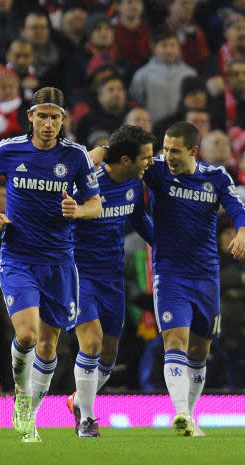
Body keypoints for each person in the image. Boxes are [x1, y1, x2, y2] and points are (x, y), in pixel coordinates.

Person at [0, 87, 101, 443]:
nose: (48, 123)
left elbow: (96, 203)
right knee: (26, 334)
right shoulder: (10, 150)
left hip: (59, 262)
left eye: (54, 117)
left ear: (63, 120)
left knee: (49, 345)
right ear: (30, 116)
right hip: (17, 258)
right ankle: (21, 397)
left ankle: (31, 412)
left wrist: (80, 209)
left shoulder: (75, 156)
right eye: (41, 116)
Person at [139, 121, 245, 436]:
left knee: (200, 351)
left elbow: (239, 211)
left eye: (174, 151)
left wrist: (242, 234)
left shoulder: (215, 178)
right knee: (175, 341)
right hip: (170, 273)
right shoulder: (157, 171)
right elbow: (124, 159)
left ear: (193, 151)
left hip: (206, 276)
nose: (168, 156)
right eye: (165, 149)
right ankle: (182, 414)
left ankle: (191, 413)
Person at [66, 125, 155, 437]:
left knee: (109, 352)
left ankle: (79, 399)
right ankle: (87, 420)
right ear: (127, 159)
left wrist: (163, 243)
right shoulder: (85, 184)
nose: (151, 162)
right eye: (146, 157)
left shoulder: (133, 185)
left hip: (112, 275)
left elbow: (139, 217)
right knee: (91, 341)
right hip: (79, 272)